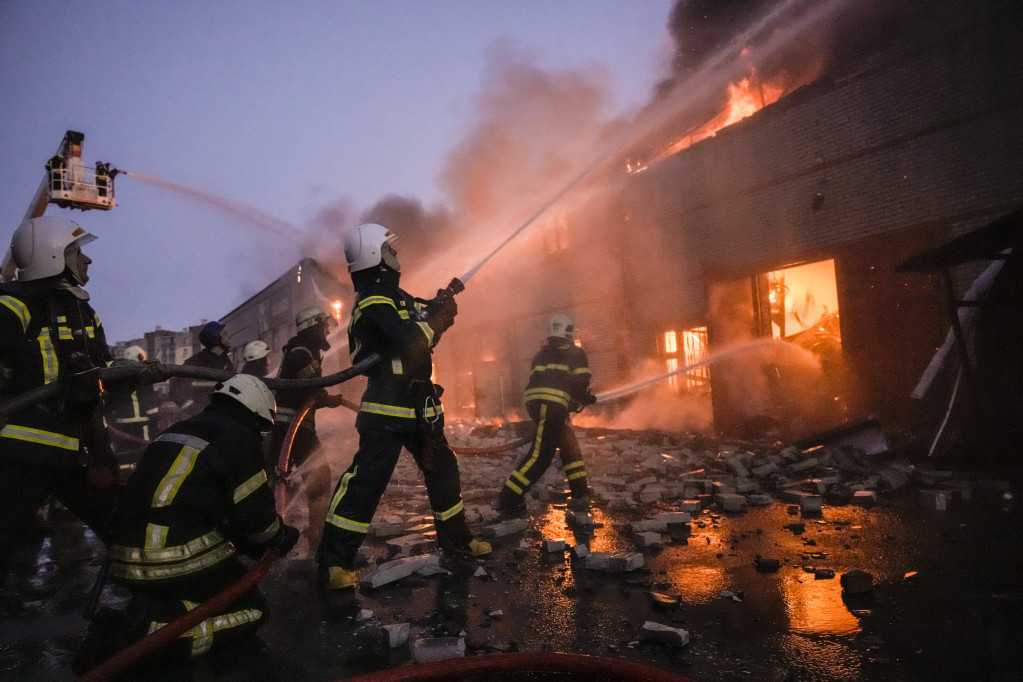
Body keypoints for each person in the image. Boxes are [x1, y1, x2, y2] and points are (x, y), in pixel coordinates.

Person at [76, 374, 299, 673]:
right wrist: (281, 536)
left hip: (123, 557)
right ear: (256, 412)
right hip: (169, 559)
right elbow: (256, 522)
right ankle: (150, 635)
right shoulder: (240, 437)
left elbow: (193, 501)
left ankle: (136, 619)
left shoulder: (179, 430)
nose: (260, 435)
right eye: (261, 427)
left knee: (207, 584)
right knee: (251, 609)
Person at [316, 223, 490, 589]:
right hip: (387, 409)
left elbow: (421, 333)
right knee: (366, 483)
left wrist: (439, 311)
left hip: (420, 406)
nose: (397, 256)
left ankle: (458, 542)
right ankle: (333, 562)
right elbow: (406, 340)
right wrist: (436, 321)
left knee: (443, 472)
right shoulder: (373, 300)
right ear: (373, 255)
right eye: (390, 250)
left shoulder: (396, 297)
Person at [0, 215, 120, 587]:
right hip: (18, 455)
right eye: (77, 253)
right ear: (52, 256)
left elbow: (97, 379)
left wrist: (129, 375)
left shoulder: (82, 310)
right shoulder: (11, 307)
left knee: (125, 529)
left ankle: (162, 602)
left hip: (74, 454)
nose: (87, 261)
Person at [495, 313, 596, 517]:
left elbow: (540, 381)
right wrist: (585, 398)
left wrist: (569, 400)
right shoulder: (576, 353)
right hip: (551, 406)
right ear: (567, 331)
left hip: (537, 404)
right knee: (541, 455)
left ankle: (579, 492)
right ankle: (509, 498)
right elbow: (580, 382)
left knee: (568, 444)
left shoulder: (541, 354)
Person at [267, 306, 344, 551]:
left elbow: (309, 391)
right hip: (293, 431)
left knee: (280, 482)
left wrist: (325, 398)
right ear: (313, 325)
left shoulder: (303, 351)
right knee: (317, 479)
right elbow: (309, 389)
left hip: (293, 430)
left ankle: (278, 533)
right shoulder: (300, 353)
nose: (328, 329)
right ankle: (314, 534)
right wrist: (325, 397)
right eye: (324, 324)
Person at [104, 345, 161, 477]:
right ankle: (143, 479)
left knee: (123, 454)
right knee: (143, 455)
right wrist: (155, 426)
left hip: (120, 425)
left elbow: (108, 402)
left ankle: (123, 479)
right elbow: (150, 406)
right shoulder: (144, 375)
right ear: (140, 357)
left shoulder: (115, 375)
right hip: (143, 426)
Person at [168, 320, 235, 420]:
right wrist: (197, 410)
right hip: (205, 420)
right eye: (224, 334)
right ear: (215, 338)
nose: (229, 336)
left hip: (226, 416)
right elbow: (176, 392)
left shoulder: (227, 363)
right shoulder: (194, 363)